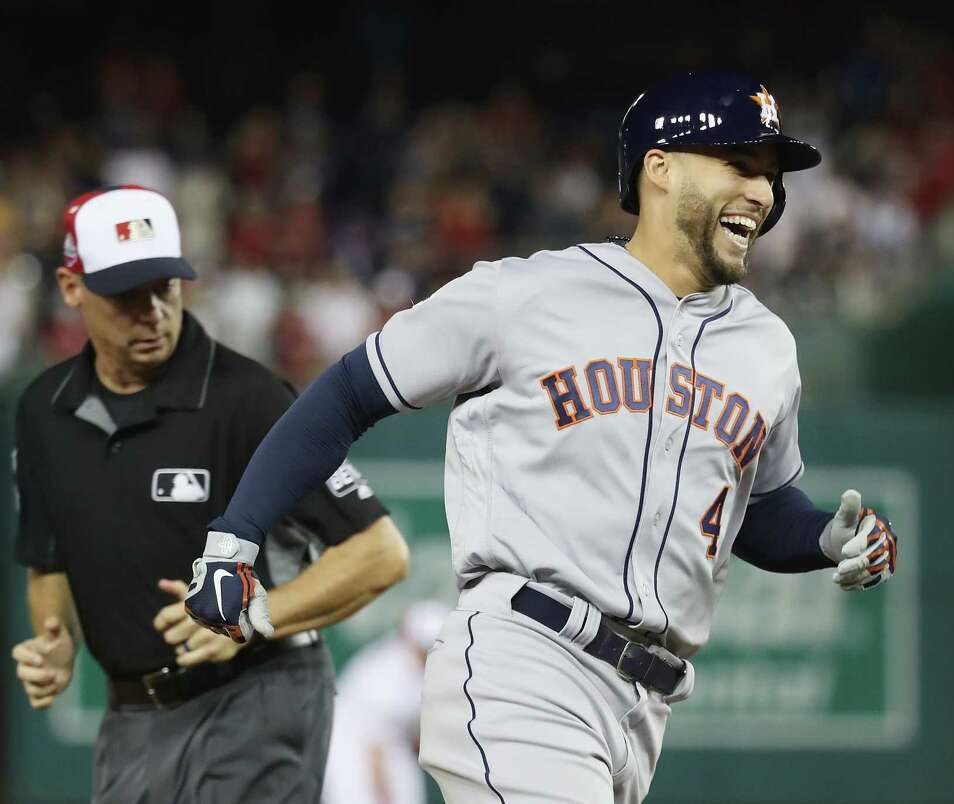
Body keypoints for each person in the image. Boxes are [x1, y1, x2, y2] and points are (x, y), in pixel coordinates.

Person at [184, 72, 900, 804]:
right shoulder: (523, 295)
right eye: (740, 165)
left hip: (643, 708)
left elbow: (757, 510)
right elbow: (346, 395)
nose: (763, 191)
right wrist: (234, 537)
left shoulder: (767, 347)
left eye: (772, 176)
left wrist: (824, 539)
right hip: (522, 660)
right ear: (660, 167)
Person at [9, 185, 410, 804]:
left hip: (256, 697)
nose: (153, 312)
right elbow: (50, 560)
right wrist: (56, 639)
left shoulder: (247, 400)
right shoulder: (43, 412)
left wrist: (253, 618)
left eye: (164, 287)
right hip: (132, 718)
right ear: (70, 289)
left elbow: (380, 551)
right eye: (125, 295)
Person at [322, 600, 452, 804]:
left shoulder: (418, 670)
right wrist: (384, 796)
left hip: (386, 748)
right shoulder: (387, 678)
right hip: (356, 753)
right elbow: (374, 748)